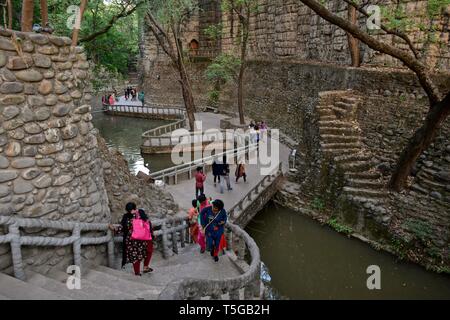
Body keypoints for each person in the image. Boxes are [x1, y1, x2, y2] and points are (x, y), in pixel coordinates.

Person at [109, 203, 154, 276]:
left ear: (127, 210)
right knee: (148, 251)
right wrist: (151, 233)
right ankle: (145, 267)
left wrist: (114, 228)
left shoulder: (126, 217)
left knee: (135, 255)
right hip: (144, 239)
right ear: (135, 207)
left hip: (132, 240)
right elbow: (148, 223)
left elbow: (122, 228)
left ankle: (137, 273)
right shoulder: (141, 213)